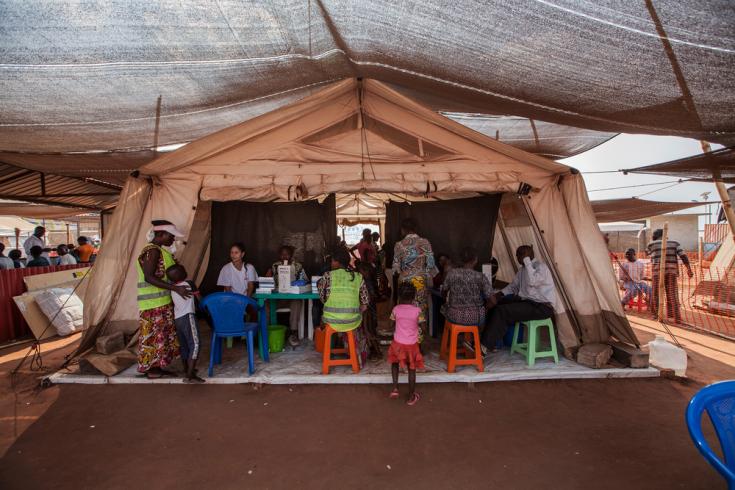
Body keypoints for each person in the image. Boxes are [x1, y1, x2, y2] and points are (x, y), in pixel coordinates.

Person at [136, 219, 190, 379]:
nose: (173, 239)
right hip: (153, 304)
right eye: (171, 235)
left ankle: (157, 367)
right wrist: (175, 288)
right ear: (161, 234)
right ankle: (153, 369)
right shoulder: (152, 251)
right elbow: (149, 277)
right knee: (155, 336)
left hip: (161, 302)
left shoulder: (161, 251)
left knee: (160, 336)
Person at [481, 245, 556, 356]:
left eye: (519, 255)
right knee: (496, 305)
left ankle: (484, 347)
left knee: (503, 311)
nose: (516, 257)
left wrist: (527, 260)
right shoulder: (523, 270)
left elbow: (533, 281)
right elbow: (513, 286)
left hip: (542, 307)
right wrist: (497, 296)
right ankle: (493, 343)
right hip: (528, 303)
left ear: (526, 255)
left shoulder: (541, 267)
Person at [318, 248, 370, 368]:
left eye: (332, 261)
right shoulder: (358, 276)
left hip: (331, 320)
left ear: (336, 262)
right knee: (359, 322)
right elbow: (365, 302)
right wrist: (356, 310)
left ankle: (333, 357)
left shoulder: (327, 276)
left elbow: (323, 299)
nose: (331, 264)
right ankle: (356, 355)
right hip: (353, 320)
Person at [392, 218, 437, 342]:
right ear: (415, 229)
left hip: (404, 283)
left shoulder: (399, 245)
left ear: (403, 230)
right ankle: (418, 343)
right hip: (420, 282)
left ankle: (404, 340)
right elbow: (431, 265)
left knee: (404, 312)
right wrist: (425, 276)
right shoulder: (425, 242)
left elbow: (395, 268)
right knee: (419, 311)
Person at [166, 264, 205, 383]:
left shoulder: (172, 288)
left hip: (178, 319)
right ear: (183, 273)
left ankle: (187, 369)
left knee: (184, 346)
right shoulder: (190, 284)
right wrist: (205, 308)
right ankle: (190, 375)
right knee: (196, 343)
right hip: (188, 317)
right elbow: (199, 298)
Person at [388, 282, 424, 406]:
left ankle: (395, 389)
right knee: (411, 369)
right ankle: (411, 396)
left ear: (399, 296)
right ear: (414, 296)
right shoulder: (417, 310)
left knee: (394, 363)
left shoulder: (395, 309)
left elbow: (391, 325)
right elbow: (422, 325)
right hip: (411, 345)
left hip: (397, 343)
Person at [646, 229, 693, 323]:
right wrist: (689, 269)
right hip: (671, 271)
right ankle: (675, 316)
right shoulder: (675, 243)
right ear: (665, 235)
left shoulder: (651, 244)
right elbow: (683, 256)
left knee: (656, 293)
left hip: (657, 272)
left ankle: (656, 315)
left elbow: (647, 253)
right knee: (672, 293)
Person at [441, 247, 493, 329]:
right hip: (475, 318)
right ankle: (473, 340)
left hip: (454, 316)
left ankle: (455, 337)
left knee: (444, 308)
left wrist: (448, 301)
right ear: (475, 260)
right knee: (484, 315)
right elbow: (493, 301)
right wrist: (484, 309)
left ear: (461, 259)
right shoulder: (481, 277)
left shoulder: (452, 273)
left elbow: (443, 292)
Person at [267, 245, 308, 347]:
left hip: (292, 297)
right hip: (278, 297)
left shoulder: (298, 266)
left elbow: (306, 280)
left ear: (291, 255)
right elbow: (269, 282)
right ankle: (266, 332)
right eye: (282, 254)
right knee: (266, 304)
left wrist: (298, 283)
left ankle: (293, 333)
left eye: (287, 254)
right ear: (279, 255)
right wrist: (268, 277)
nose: (284, 256)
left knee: (297, 302)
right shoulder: (275, 266)